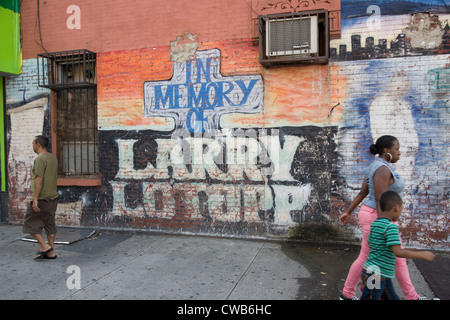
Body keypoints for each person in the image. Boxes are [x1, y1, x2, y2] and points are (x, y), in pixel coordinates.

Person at [339, 135, 425, 300]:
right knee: (391, 256)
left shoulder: (378, 166)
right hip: (377, 217)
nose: (399, 153)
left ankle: (347, 295)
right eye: (397, 149)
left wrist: (348, 212)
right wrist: (384, 225)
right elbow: (380, 198)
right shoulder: (382, 169)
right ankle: (412, 297)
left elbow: (363, 192)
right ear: (387, 150)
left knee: (371, 256)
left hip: (373, 215)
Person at [360, 191, 434, 300]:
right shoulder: (390, 227)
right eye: (401, 209)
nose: (400, 213)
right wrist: (422, 254)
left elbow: (371, 242)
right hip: (376, 274)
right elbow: (398, 251)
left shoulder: (375, 224)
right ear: (396, 208)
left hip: (379, 273)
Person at [22, 135, 59, 259]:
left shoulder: (40, 159)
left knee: (29, 223)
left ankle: (45, 246)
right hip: (53, 197)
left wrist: (35, 198)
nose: (32, 145)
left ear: (38, 144)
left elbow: (39, 180)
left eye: (33, 143)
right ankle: (51, 252)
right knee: (50, 224)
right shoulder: (52, 158)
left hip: (42, 198)